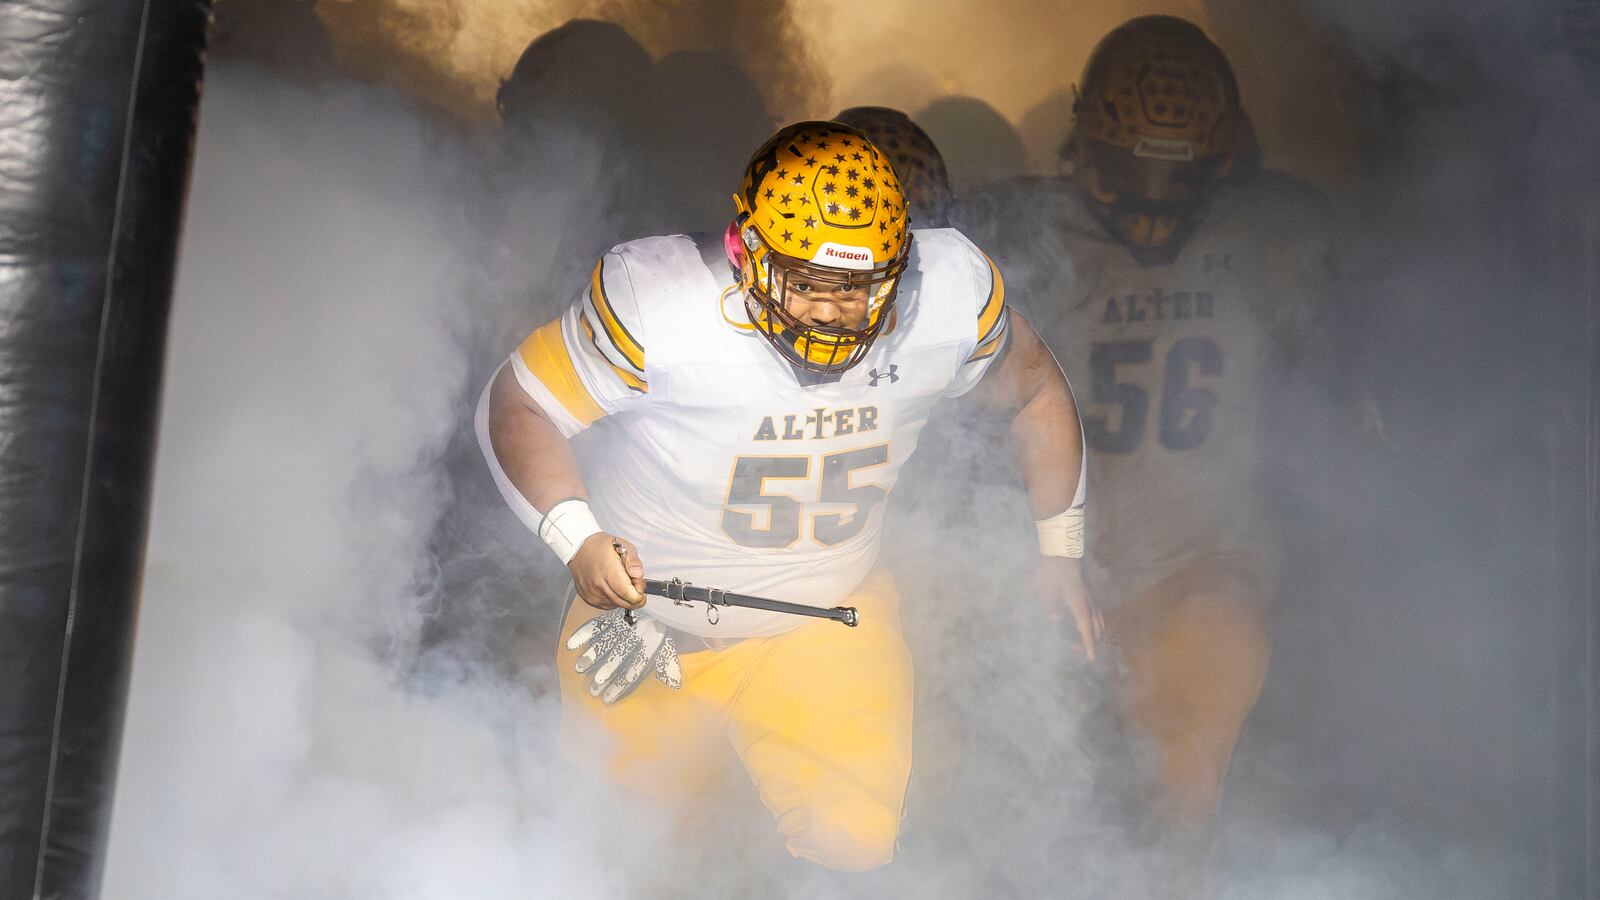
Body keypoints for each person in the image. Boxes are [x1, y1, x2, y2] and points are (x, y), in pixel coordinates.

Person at [478, 120, 1096, 872]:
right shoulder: (661, 303)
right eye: (805, 281)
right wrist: (576, 537)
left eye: (860, 287)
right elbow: (520, 403)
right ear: (745, 253)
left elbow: (1035, 389)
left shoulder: (949, 295)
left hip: (827, 619)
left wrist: (1060, 555)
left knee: (852, 851)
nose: (832, 311)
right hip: (649, 632)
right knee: (628, 865)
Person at [956, 14, 1336, 867]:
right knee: (1024, 803)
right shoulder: (1020, 234)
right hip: (1055, 573)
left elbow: (1343, 386)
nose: (1153, 215)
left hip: (1202, 568)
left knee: (1182, 793)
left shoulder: (1274, 235)